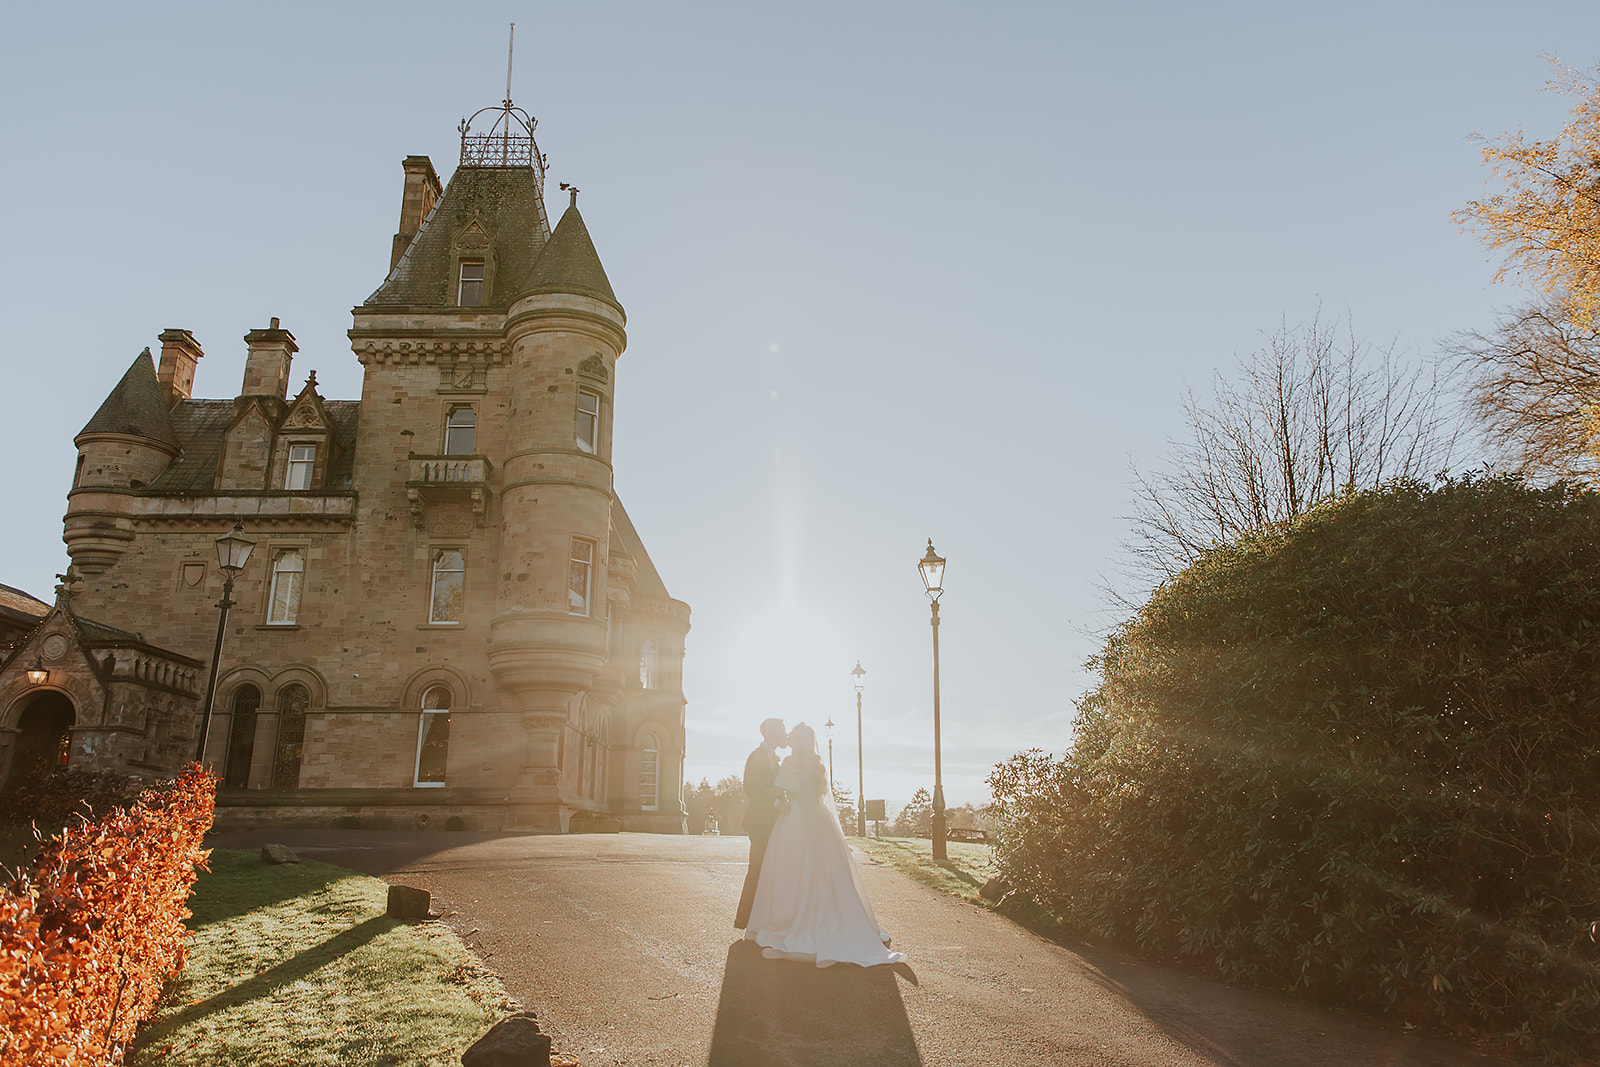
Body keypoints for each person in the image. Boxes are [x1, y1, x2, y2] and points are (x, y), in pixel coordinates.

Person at [743, 723, 906, 967]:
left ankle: (792, 922)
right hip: (818, 816)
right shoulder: (818, 763)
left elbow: (776, 789)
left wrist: (775, 795)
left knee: (791, 869)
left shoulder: (789, 763)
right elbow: (819, 791)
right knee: (825, 870)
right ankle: (838, 921)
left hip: (795, 816)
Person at [734, 717, 789, 930]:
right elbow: (751, 787)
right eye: (782, 730)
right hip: (759, 822)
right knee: (757, 869)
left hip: (774, 822)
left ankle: (766, 919)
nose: (785, 734)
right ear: (770, 732)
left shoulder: (775, 757)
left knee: (772, 870)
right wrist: (776, 802)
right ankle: (745, 919)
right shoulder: (756, 756)